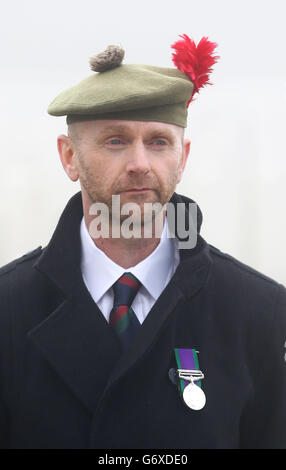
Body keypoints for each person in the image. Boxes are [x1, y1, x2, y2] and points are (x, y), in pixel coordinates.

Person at [0, 35, 286, 450]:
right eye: (115, 141)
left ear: (182, 157)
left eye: (158, 142)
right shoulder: (8, 310)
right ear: (69, 157)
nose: (140, 164)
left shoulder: (258, 312)